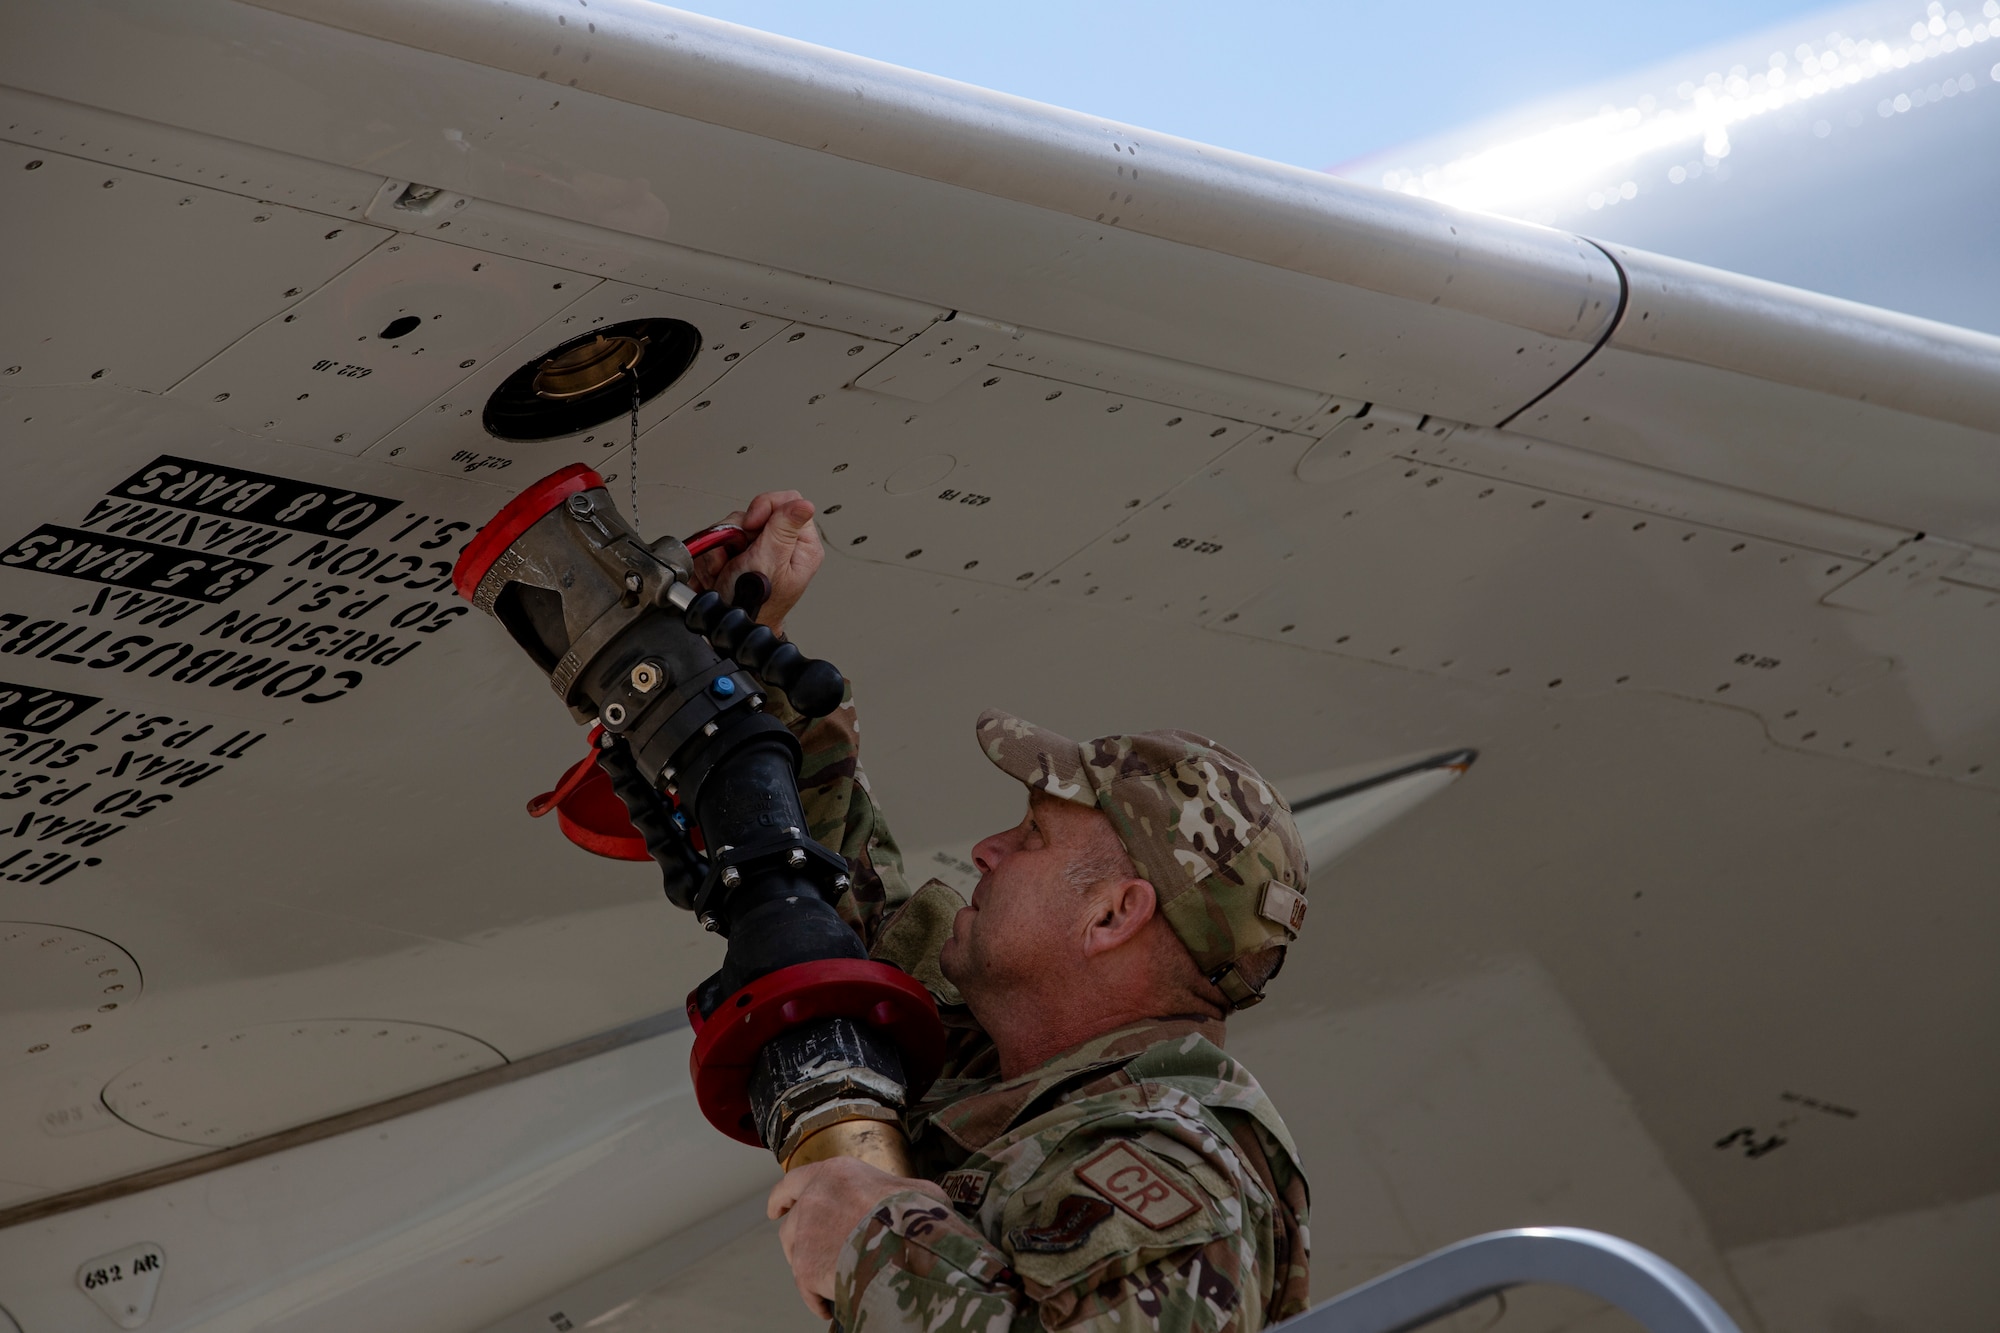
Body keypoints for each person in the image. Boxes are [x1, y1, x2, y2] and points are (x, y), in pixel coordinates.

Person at [673, 490, 1313, 1332]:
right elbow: (827, 896)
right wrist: (751, 644)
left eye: (1034, 836)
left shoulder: (1174, 1164)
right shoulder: (1002, 1066)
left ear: (1114, 916)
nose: (987, 848)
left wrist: (877, 1240)